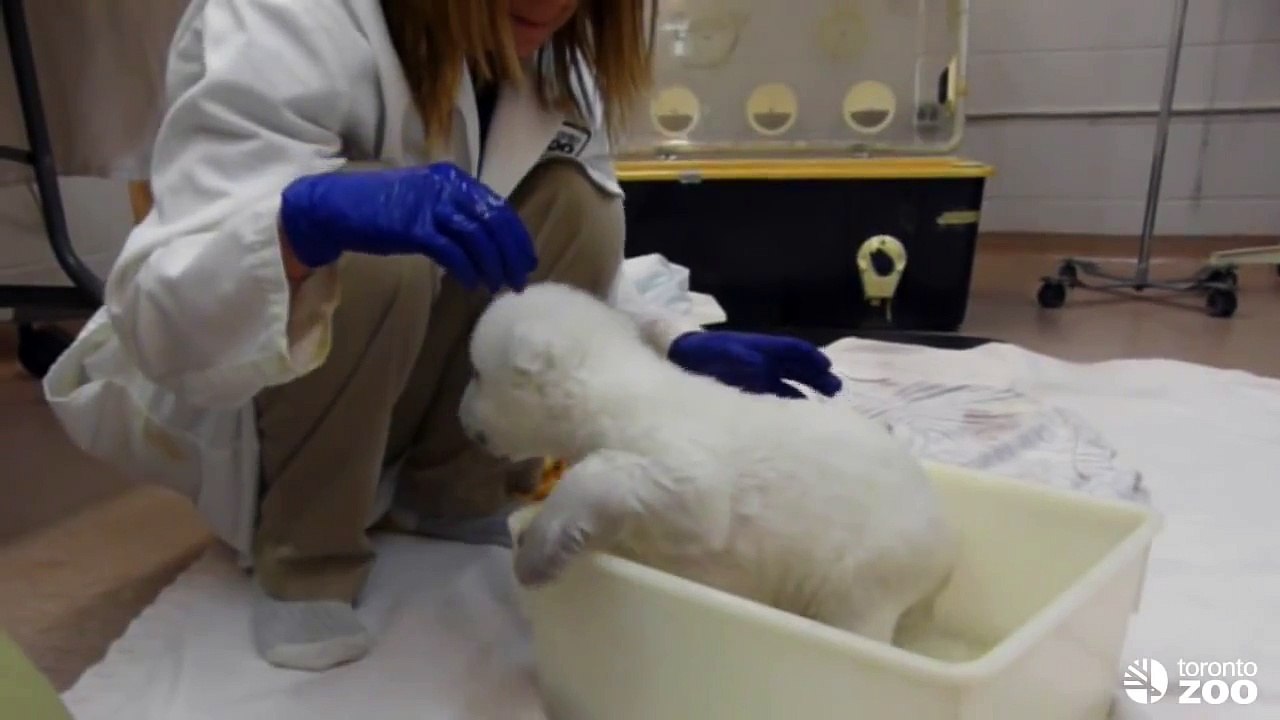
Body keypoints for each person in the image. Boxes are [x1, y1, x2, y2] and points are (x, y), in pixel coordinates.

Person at [42, 0, 842, 673]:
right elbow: (164, 314)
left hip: (411, 382)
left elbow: (549, 264)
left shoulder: (553, 54)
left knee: (575, 203)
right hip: (274, 399)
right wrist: (302, 221)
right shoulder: (282, 16)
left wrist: (670, 343)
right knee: (373, 248)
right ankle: (308, 555)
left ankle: (456, 495)